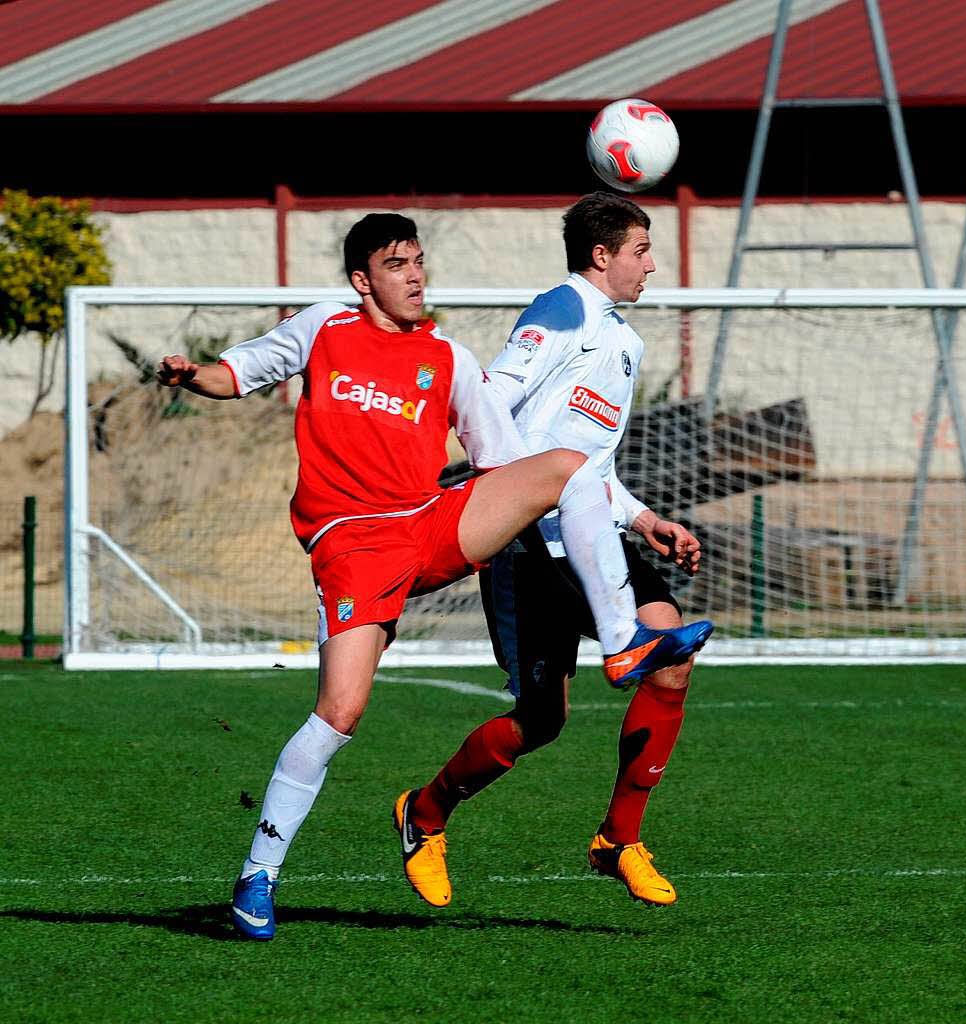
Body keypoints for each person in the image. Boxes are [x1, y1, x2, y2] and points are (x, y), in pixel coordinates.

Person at [156, 212, 713, 940]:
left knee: (565, 469)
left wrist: (623, 515)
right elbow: (242, 372)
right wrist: (196, 375)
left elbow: (505, 456)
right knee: (340, 713)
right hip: (354, 543)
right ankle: (258, 875)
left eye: (419, 262)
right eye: (396, 265)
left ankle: (622, 644)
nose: (415, 276)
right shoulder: (324, 327)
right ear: (362, 281)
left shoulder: (447, 356)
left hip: (428, 523)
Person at [395, 193, 706, 911]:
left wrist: (643, 516)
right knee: (540, 722)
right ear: (601, 255)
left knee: (672, 662)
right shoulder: (559, 311)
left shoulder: (622, 340)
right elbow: (495, 395)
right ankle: (425, 812)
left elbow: (585, 463)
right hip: (528, 538)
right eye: (639, 249)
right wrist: (445, 466)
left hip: (592, 533)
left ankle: (617, 838)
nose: (650, 264)